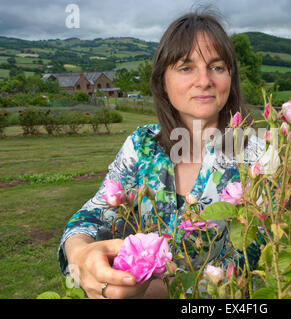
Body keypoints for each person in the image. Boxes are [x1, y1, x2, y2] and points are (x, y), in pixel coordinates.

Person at [58, 10, 274, 299]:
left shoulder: (259, 156)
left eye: (217, 67)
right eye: (186, 67)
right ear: (163, 81)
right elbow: (93, 216)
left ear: (231, 78)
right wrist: (81, 254)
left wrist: (145, 292)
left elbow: (251, 262)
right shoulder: (142, 145)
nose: (204, 80)